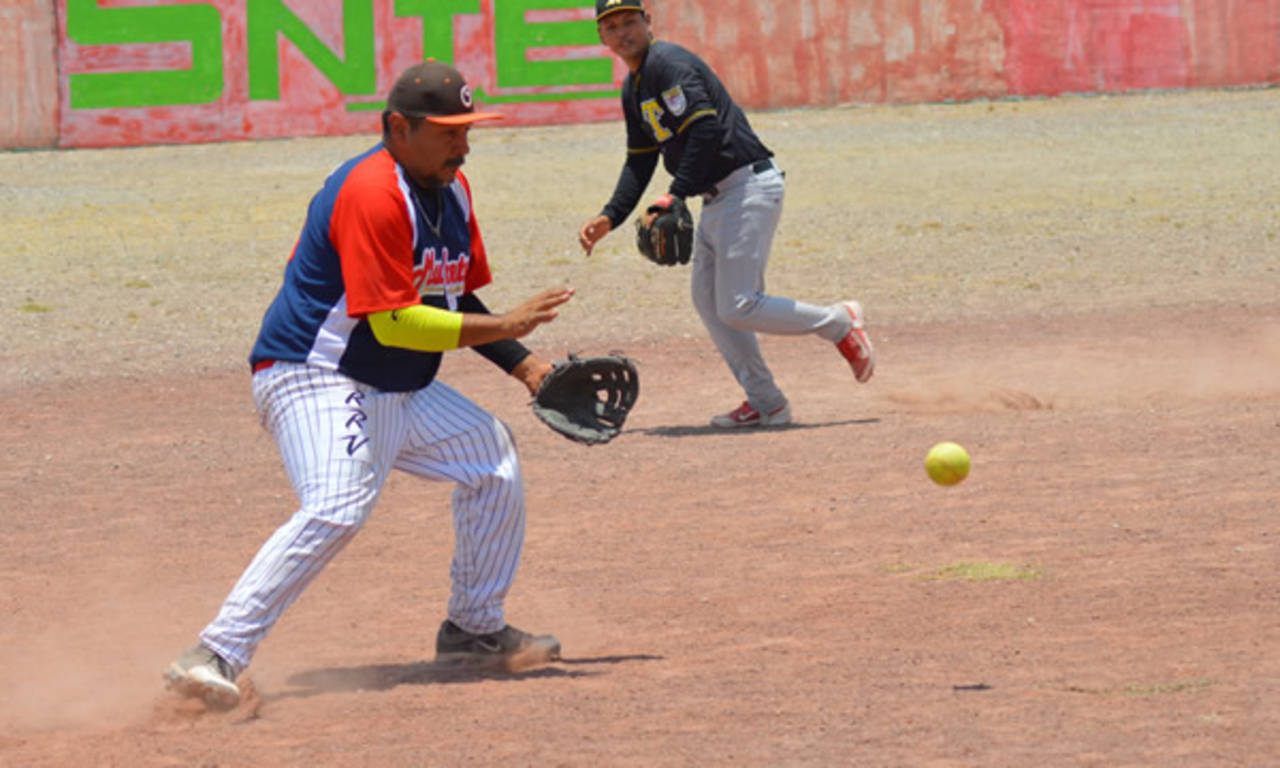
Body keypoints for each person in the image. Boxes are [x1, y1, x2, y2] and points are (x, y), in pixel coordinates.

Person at [164, 60, 572, 711]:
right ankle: (212, 654)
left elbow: (452, 294)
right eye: (447, 131)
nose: (463, 145)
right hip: (314, 374)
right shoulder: (371, 191)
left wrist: (526, 365)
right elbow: (395, 320)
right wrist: (508, 323)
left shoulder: (452, 190)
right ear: (398, 128)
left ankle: (472, 630)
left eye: (467, 129)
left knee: (491, 458)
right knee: (336, 505)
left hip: (395, 384)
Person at [578, 0, 875, 428]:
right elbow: (640, 159)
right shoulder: (635, 86)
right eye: (611, 26)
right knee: (709, 301)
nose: (623, 32)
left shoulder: (668, 64)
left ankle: (839, 322)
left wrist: (675, 194)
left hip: (747, 186)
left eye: (630, 21)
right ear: (601, 36)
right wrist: (611, 215)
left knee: (738, 305)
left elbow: (706, 128)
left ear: (647, 22)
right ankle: (767, 402)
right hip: (718, 197)